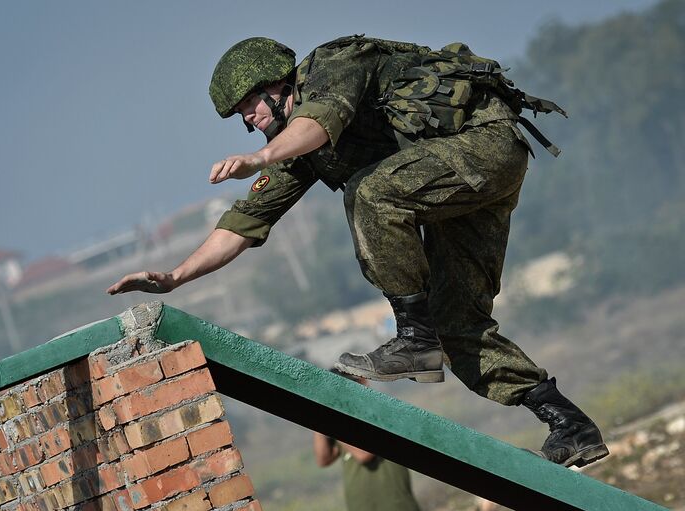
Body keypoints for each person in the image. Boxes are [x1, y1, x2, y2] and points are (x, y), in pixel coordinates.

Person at [107, 35, 609, 468]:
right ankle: (570, 426)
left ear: (277, 85)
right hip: (457, 189)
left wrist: (260, 155)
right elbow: (246, 221)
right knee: (457, 324)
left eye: (249, 105)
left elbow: (320, 123)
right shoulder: (295, 149)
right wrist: (175, 276)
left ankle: (413, 338)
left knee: (370, 192)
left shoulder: (333, 68)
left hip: (484, 147)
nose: (247, 119)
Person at [313, 369, 421, 511]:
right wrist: (318, 418)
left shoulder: (380, 412)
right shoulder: (343, 423)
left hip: (395, 504)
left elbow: (364, 454)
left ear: (363, 382)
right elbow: (324, 460)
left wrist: (334, 420)